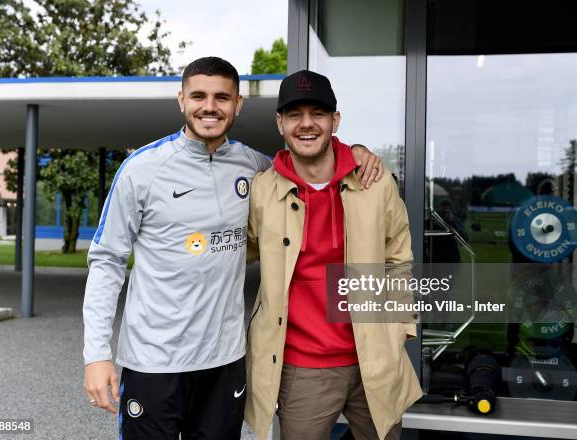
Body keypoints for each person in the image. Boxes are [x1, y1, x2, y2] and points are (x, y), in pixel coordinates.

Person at [82, 57, 384, 439]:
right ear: (181, 100)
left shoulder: (256, 168)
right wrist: (95, 355)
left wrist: (356, 153)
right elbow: (107, 262)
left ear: (237, 104)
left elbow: (313, 164)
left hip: (225, 362)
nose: (210, 106)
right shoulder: (142, 169)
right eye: (199, 96)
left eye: (222, 97)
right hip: (152, 363)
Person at [245, 70, 422, 440]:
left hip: (373, 358)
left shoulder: (374, 182)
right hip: (300, 368)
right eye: (295, 114)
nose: (307, 124)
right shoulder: (261, 192)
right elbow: (235, 252)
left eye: (318, 114)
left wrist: (400, 327)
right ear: (280, 123)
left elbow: (398, 258)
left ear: (335, 120)